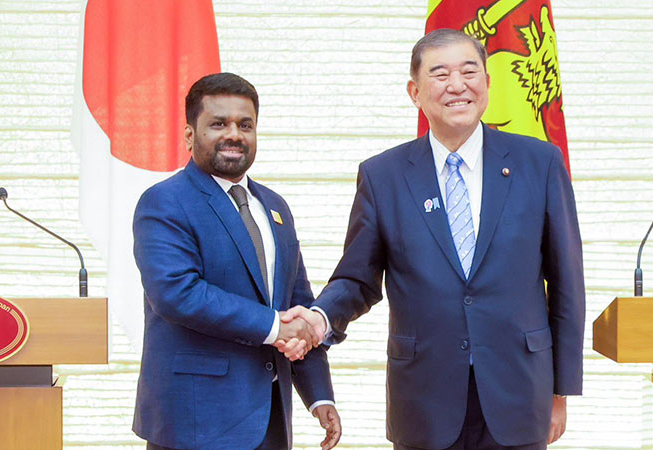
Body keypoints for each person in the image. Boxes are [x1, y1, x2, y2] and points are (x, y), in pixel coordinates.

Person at [281, 29, 585, 450]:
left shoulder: (539, 162)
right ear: (415, 92)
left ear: (487, 83)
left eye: (468, 71)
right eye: (440, 74)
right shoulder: (383, 176)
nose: (457, 85)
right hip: (423, 399)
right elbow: (357, 279)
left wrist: (561, 390)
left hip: (519, 393)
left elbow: (567, 283)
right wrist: (318, 319)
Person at [132, 72, 341, 450]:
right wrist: (276, 326)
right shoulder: (165, 202)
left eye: (245, 125)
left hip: (271, 423)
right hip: (196, 425)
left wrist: (319, 396)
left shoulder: (275, 207)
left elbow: (297, 304)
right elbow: (178, 293)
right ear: (189, 135)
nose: (234, 134)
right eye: (218, 124)